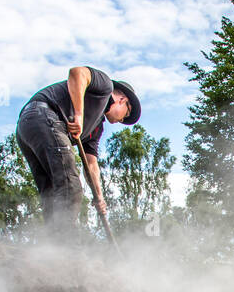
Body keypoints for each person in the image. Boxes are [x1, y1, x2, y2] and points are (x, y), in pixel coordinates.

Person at [16, 66, 141, 232]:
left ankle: (49, 248)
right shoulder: (105, 86)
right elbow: (77, 73)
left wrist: (99, 197)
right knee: (71, 186)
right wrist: (78, 115)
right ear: (122, 100)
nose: (123, 119)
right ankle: (67, 247)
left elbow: (91, 164)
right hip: (43, 114)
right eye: (126, 114)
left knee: (52, 192)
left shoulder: (96, 129)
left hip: (27, 127)